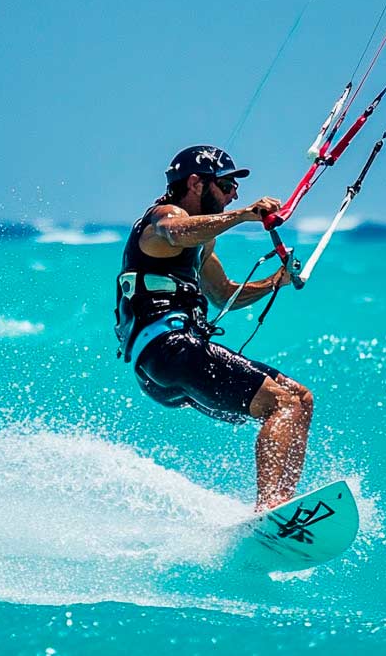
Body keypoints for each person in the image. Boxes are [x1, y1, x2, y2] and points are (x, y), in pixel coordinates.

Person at [114, 144, 312, 511]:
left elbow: (223, 294)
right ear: (194, 183)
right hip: (169, 350)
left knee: (298, 400)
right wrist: (244, 215)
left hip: (165, 369)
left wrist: (277, 281)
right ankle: (272, 507)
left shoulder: (202, 243)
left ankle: (281, 512)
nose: (234, 193)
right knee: (284, 401)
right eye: (225, 185)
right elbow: (175, 232)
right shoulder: (163, 218)